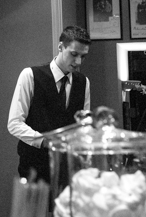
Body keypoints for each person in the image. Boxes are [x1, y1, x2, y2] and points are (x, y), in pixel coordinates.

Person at [7, 25, 92, 183]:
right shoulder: (30, 75)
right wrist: (45, 141)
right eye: (74, 54)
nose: (78, 62)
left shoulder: (83, 82)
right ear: (60, 47)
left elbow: (83, 126)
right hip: (34, 168)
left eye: (83, 56)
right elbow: (14, 123)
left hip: (68, 169)